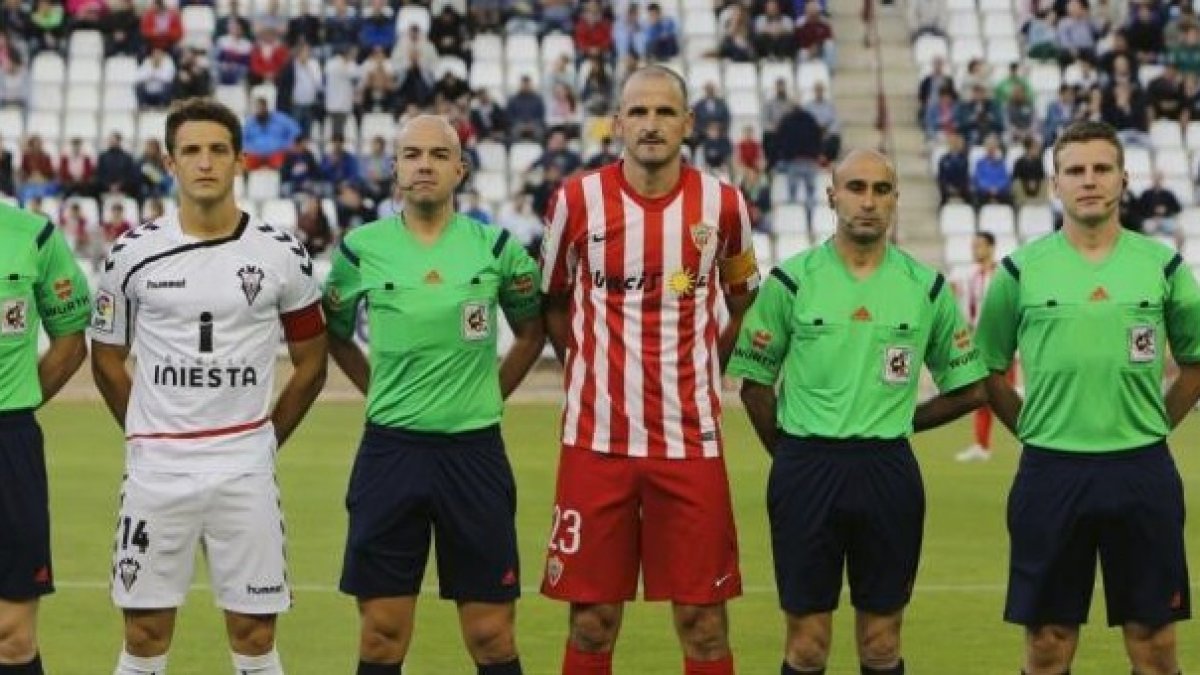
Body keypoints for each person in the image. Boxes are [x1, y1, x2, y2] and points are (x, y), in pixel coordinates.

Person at [89, 98, 328, 675]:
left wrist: (265, 438)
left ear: (239, 161)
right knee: (143, 633)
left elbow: (312, 361)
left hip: (244, 466)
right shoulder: (131, 254)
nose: (205, 163)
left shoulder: (281, 254)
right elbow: (106, 358)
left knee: (254, 632)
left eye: (217, 150)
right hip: (156, 470)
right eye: (191, 151)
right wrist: (147, 433)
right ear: (170, 163)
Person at [728, 148, 987, 675]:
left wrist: (901, 420)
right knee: (806, 643)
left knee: (881, 641)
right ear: (831, 196)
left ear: (895, 199)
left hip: (887, 468)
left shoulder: (926, 287)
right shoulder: (792, 281)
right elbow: (753, 384)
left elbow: (971, 389)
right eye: (856, 188)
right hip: (805, 467)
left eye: (881, 190)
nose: (868, 201)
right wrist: (791, 455)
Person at [539, 64, 759, 675]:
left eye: (665, 112)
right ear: (617, 124)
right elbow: (553, 302)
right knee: (591, 621)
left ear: (688, 123)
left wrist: (703, 367)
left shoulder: (725, 205)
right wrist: (587, 368)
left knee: (704, 623)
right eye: (638, 112)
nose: (651, 125)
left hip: (690, 442)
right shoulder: (576, 201)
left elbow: (743, 300)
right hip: (595, 442)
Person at [977, 120, 1200, 675]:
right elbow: (987, 370)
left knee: (1155, 644)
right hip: (1050, 471)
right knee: (1048, 644)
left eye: (1102, 169)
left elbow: (1197, 363)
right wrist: (1032, 429)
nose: (1089, 180)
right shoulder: (1018, 272)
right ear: (1055, 184)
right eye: (1075, 170)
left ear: (1124, 179)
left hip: (1141, 469)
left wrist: (1154, 424)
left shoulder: (1165, 267)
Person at [324, 115, 544, 675]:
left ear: (460, 168)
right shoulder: (359, 251)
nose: (425, 164)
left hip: (475, 455)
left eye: (439, 154)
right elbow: (336, 334)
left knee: (492, 636)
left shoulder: (496, 247)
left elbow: (531, 332)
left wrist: (489, 394)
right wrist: (379, 391)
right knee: (382, 634)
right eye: (412, 154)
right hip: (390, 454)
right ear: (394, 168)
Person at [0, 199, 92, 675]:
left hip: (8, 442)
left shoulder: (32, 235)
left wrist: (22, 399)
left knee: (11, 635)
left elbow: (71, 335)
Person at [951, 231, 1015, 462]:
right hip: (981, 347)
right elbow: (970, 314)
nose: (974, 250)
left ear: (991, 247)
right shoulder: (973, 277)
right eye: (973, 245)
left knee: (1008, 395)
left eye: (978, 245)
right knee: (982, 396)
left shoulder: (1003, 276)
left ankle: (1030, 439)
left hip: (1004, 347)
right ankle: (981, 445)